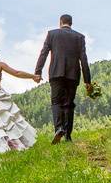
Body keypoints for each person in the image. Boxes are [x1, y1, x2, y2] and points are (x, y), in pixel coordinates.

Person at [34, 14, 91, 144]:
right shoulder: (79, 37)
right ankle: (68, 136)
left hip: (56, 72)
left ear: (60, 22)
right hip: (73, 74)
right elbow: (84, 59)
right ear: (71, 23)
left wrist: (38, 72)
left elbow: (43, 53)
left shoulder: (52, 34)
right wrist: (87, 80)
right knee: (69, 104)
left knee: (56, 102)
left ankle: (59, 128)